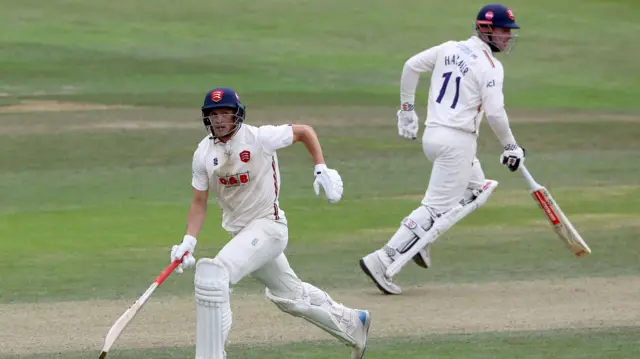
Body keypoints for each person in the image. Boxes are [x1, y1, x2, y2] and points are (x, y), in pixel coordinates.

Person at [169, 87, 371, 359]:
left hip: (269, 227)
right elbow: (199, 202)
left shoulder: (260, 137)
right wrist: (188, 242)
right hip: (243, 236)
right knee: (292, 297)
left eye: (224, 113)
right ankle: (353, 323)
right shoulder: (203, 153)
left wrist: (321, 167)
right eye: (213, 114)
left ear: (237, 114)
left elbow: (304, 132)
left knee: (216, 276)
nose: (218, 119)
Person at [359, 4, 526, 295]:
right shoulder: (490, 67)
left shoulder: (450, 48)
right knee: (434, 207)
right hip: (458, 142)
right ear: (486, 30)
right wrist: (511, 146)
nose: (508, 37)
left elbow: (411, 66)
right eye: (504, 31)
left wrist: (407, 111)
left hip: (433, 136)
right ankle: (383, 258)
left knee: (476, 188)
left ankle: (422, 243)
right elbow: (496, 112)